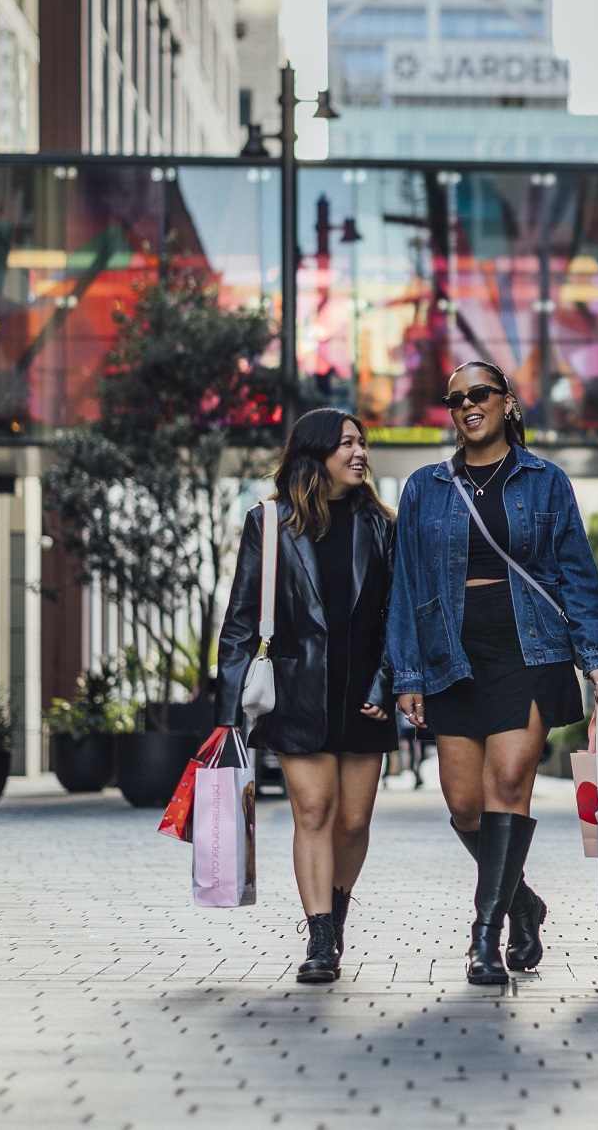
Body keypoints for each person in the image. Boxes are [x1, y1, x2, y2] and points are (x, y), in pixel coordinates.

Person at [388, 361, 598, 986]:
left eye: (480, 394)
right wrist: (406, 673)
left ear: (507, 403)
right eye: (455, 398)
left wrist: (594, 659)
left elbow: (578, 574)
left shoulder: (546, 481)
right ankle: (523, 902)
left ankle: (484, 937)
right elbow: (406, 586)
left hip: (530, 646)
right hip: (450, 655)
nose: (467, 405)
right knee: (464, 807)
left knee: (509, 782)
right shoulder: (424, 487)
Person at [216, 408, 397, 985]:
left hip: (367, 693)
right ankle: (321, 937)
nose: (359, 452)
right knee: (314, 812)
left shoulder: (382, 526)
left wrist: (387, 682)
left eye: (362, 442)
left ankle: (336, 912)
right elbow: (242, 620)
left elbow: (399, 618)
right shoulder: (269, 524)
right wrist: (227, 718)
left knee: (354, 819)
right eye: (346, 443)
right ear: (315, 454)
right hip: (299, 693)